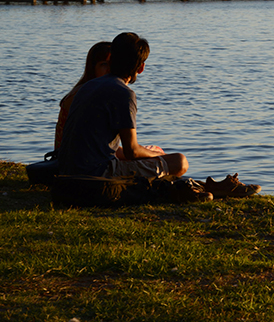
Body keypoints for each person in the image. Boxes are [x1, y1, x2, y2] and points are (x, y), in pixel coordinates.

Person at [58, 32, 259, 200]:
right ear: (141, 67)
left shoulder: (88, 87)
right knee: (179, 161)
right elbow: (131, 152)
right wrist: (160, 157)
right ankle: (214, 188)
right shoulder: (123, 93)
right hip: (95, 177)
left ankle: (211, 188)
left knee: (158, 164)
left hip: (66, 177)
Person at [54, 41, 111, 151]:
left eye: (114, 65)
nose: (109, 70)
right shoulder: (87, 94)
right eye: (104, 64)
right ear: (92, 68)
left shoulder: (87, 89)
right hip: (78, 162)